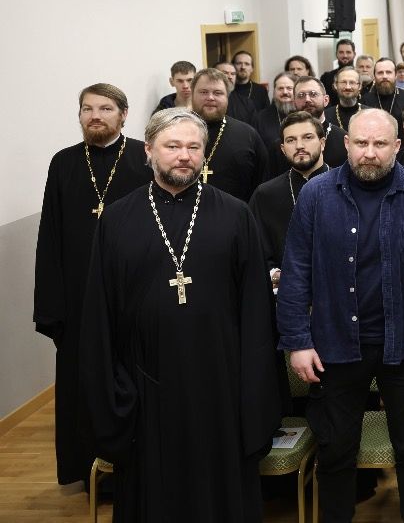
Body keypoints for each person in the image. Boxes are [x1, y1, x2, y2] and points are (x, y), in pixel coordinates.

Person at [79, 108, 280, 521]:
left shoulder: (236, 214)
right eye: (172, 146)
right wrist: (115, 390)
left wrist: (254, 391)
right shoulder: (117, 219)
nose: (184, 156)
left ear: (204, 153)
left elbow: (257, 311)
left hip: (221, 382)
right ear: (149, 151)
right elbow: (100, 312)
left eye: (193, 147)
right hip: (145, 382)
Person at [277, 108, 404, 523]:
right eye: (360, 143)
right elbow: (296, 271)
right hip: (335, 345)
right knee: (336, 451)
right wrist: (298, 342)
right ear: (345, 144)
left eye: (379, 144)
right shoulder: (316, 195)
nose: (369, 153)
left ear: (397, 146)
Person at [34, 84, 153, 486]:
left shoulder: (142, 157)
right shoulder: (64, 162)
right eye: (87, 109)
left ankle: (137, 470)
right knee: (82, 385)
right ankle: (89, 472)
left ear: (123, 114)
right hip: (79, 300)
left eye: (105, 108)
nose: (95, 116)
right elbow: (50, 235)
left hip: (132, 295)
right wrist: (51, 306)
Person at [248, 111, 329, 295]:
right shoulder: (265, 195)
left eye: (307, 137)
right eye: (291, 140)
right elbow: (254, 248)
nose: (299, 146)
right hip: (287, 295)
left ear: (322, 143)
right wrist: (274, 274)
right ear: (283, 149)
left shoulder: (345, 186)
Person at [189, 68, 270, 201]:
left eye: (218, 93)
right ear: (192, 94)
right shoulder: (174, 132)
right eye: (203, 92)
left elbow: (261, 185)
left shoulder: (247, 135)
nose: (210, 97)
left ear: (227, 97)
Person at [292, 74, 349, 170]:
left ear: (325, 100)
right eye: (301, 95)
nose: (307, 99)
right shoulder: (287, 140)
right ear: (294, 103)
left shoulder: (343, 139)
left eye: (313, 94)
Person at [251, 72, 299, 177]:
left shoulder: (304, 115)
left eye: (289, 88)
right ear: (274, 91)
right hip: (270, 173)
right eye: (280, 88)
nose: (285, 92)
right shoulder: (260, 118)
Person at [362, 57, 404, 124]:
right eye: (380, 73)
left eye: (388, 72)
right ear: (374, 76)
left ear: (395, 75)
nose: (384, 76)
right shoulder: (365, 101)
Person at [324, 66, 363, 133]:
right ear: (335, 85)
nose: (348, 87)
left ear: (359, 86)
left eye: (352, 82)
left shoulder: (370, 114)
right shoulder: (325, 116)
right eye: (343, 82)